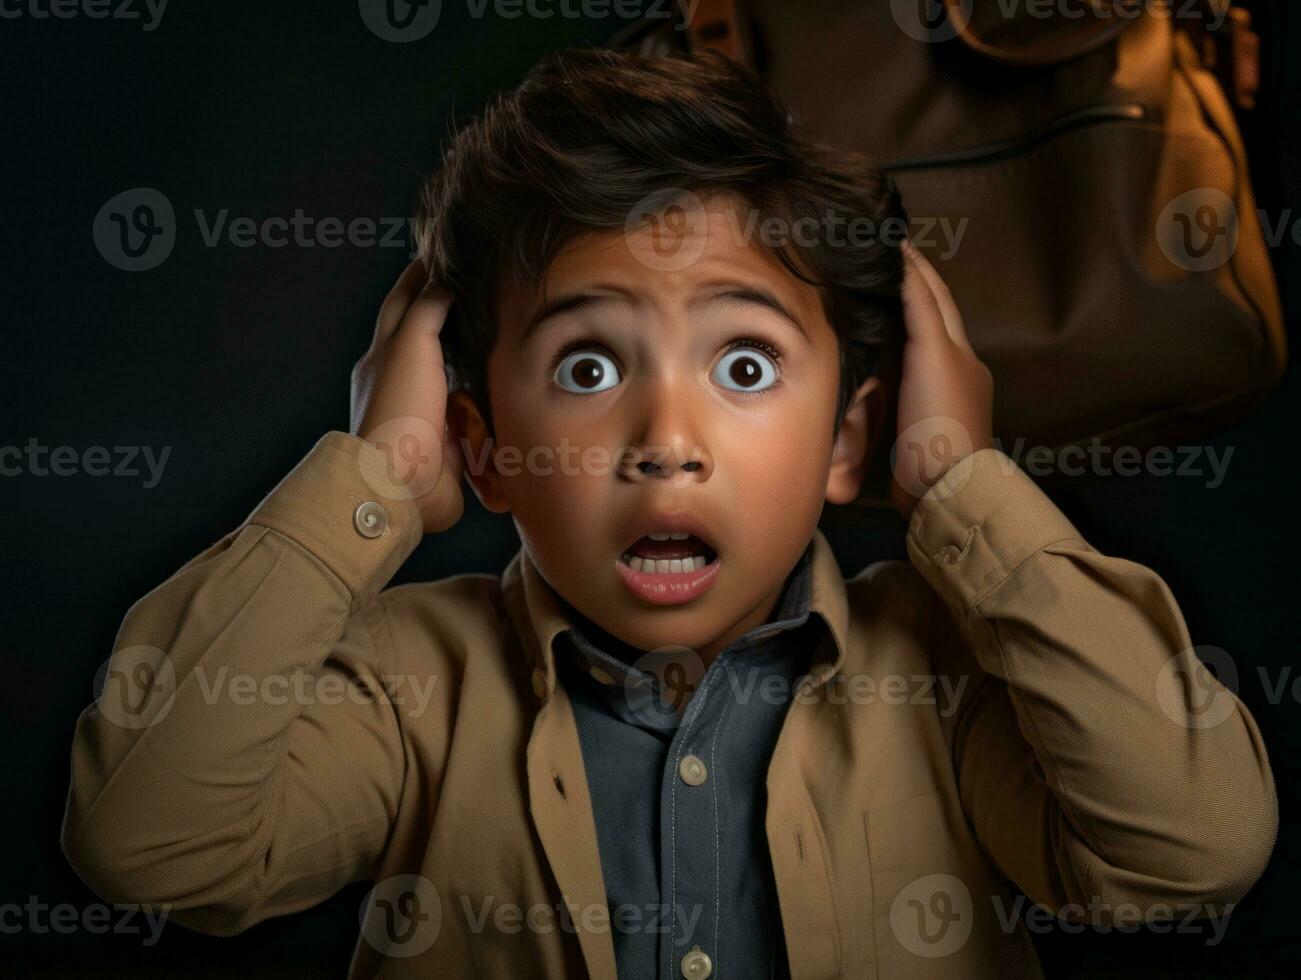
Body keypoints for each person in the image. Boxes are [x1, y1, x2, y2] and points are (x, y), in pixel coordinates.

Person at [60, 47, 1277, 979]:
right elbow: (147, 841)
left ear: (848, 437)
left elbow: (1188, 851)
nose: (665, 442)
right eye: (588, 368)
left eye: (743, 367)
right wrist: (371, 476)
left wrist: (960, 478)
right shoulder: (408, 688)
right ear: (482, 448)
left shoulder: (954, 680)